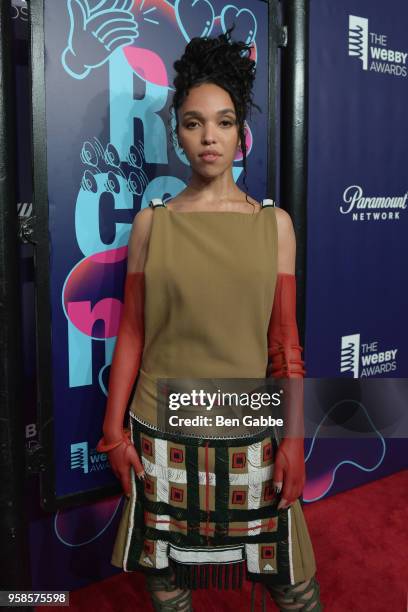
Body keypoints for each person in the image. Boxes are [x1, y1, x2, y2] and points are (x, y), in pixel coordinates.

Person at [97, 27, 323, 612]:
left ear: (241, 131)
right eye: (194, 122)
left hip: (248, 428)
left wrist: (293, 443)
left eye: (223, 121)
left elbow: (286, 347)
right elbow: (133, 335)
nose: (209, 137)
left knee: (295, 587)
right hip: (158, 430)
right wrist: (112, 433)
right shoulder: (152, 223)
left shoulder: (274, 226)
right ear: (177, 132)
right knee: (166, 588)